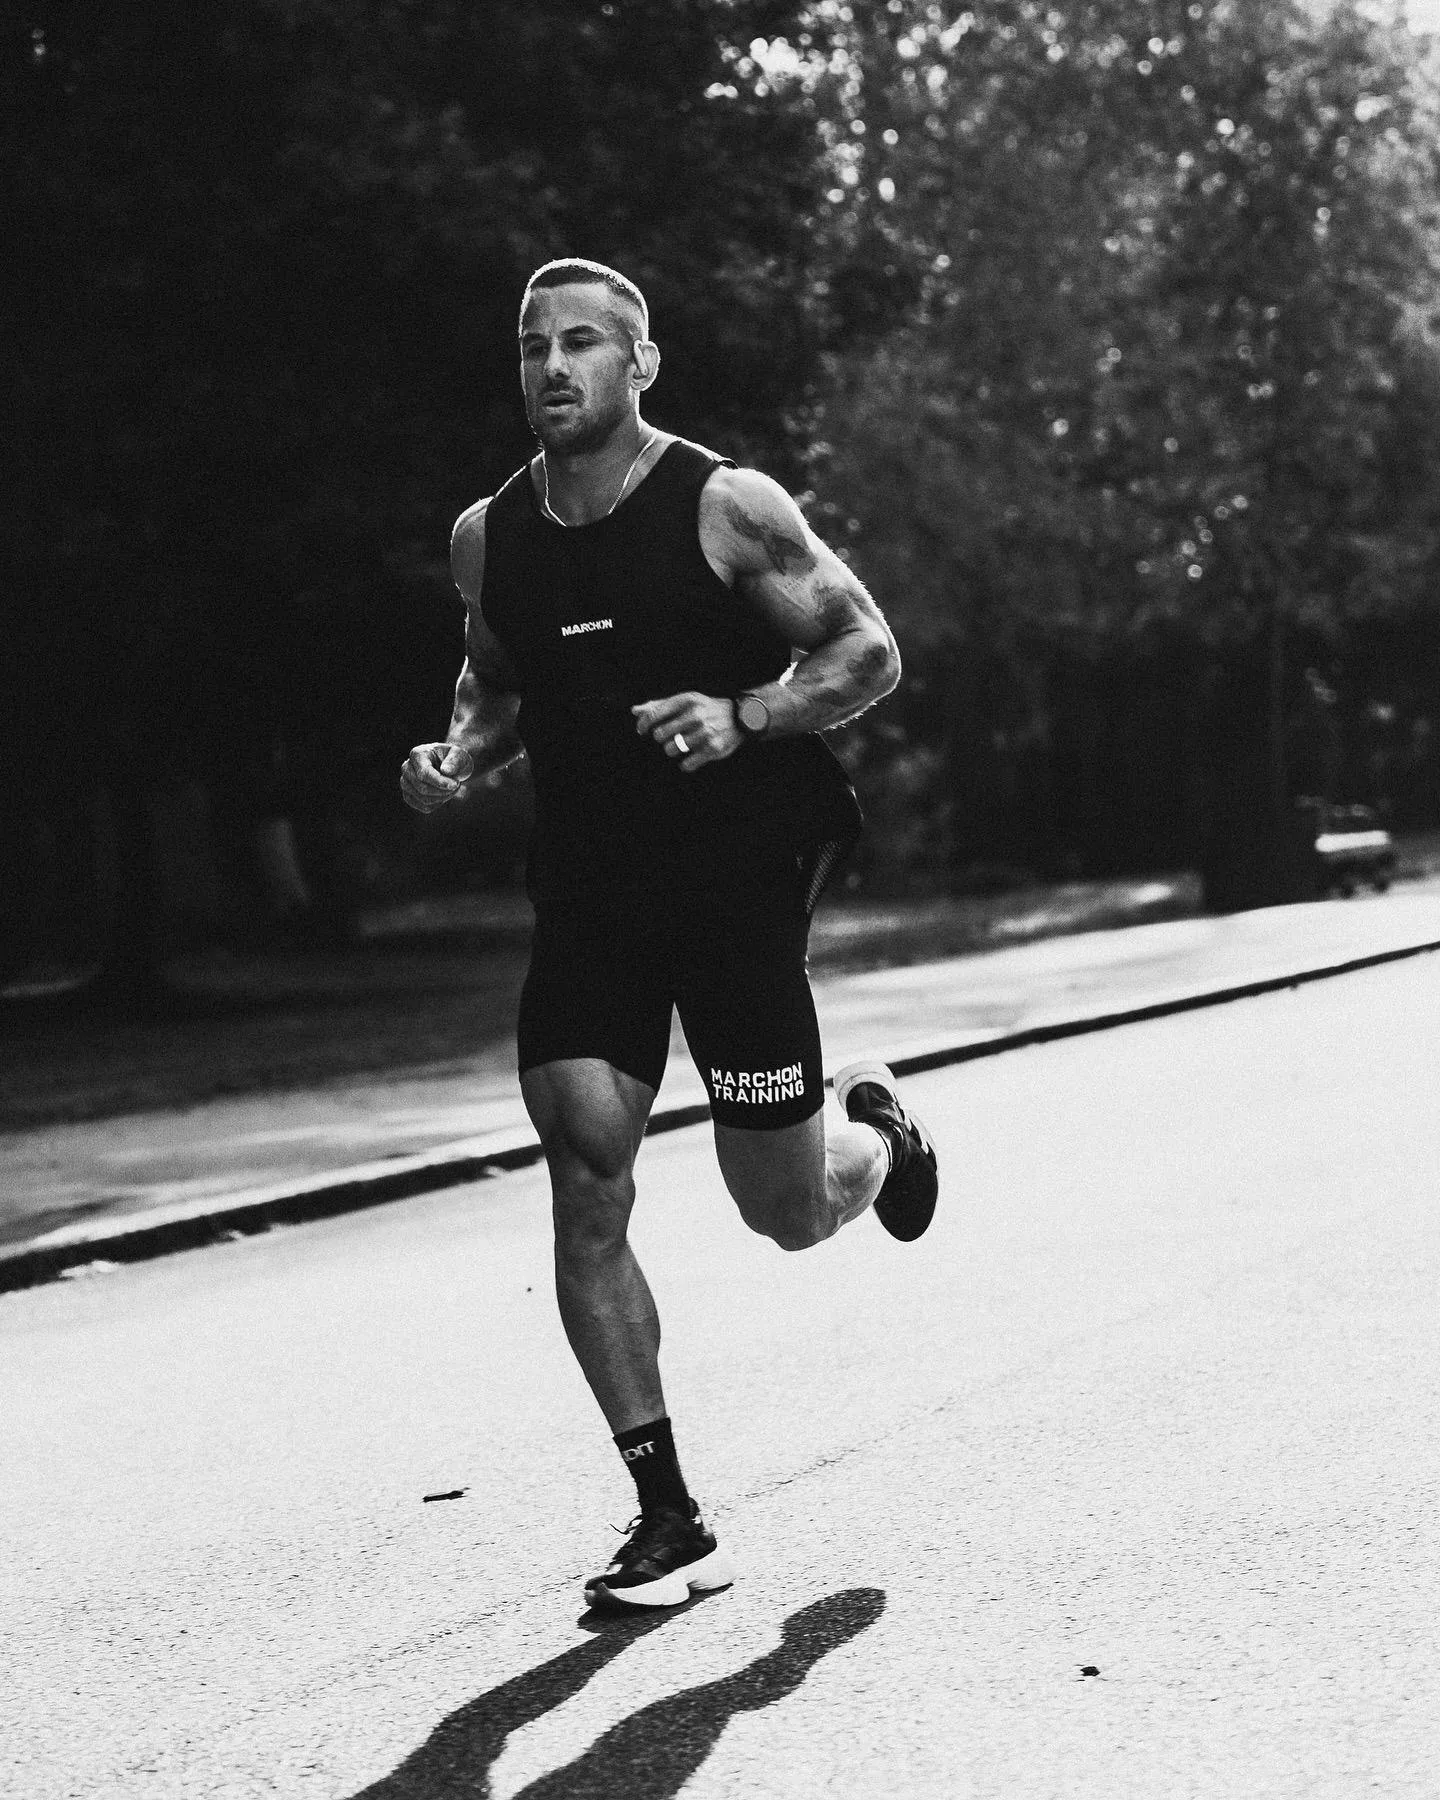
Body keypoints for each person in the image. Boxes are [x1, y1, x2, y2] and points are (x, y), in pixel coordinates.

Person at [401, 258, 939, 1610]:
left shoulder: (726, 506)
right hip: (588, 892)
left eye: (583, 343)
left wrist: (747, 714)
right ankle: (665, 1510)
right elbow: (497, 672)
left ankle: (875, 1127)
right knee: (588, 1175)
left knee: (790, 1213)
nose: (553, 366)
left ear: (641, 364)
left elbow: (867, 649)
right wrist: (461, 753)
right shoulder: (488, 536)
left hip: (736, 880)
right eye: (533, 345)